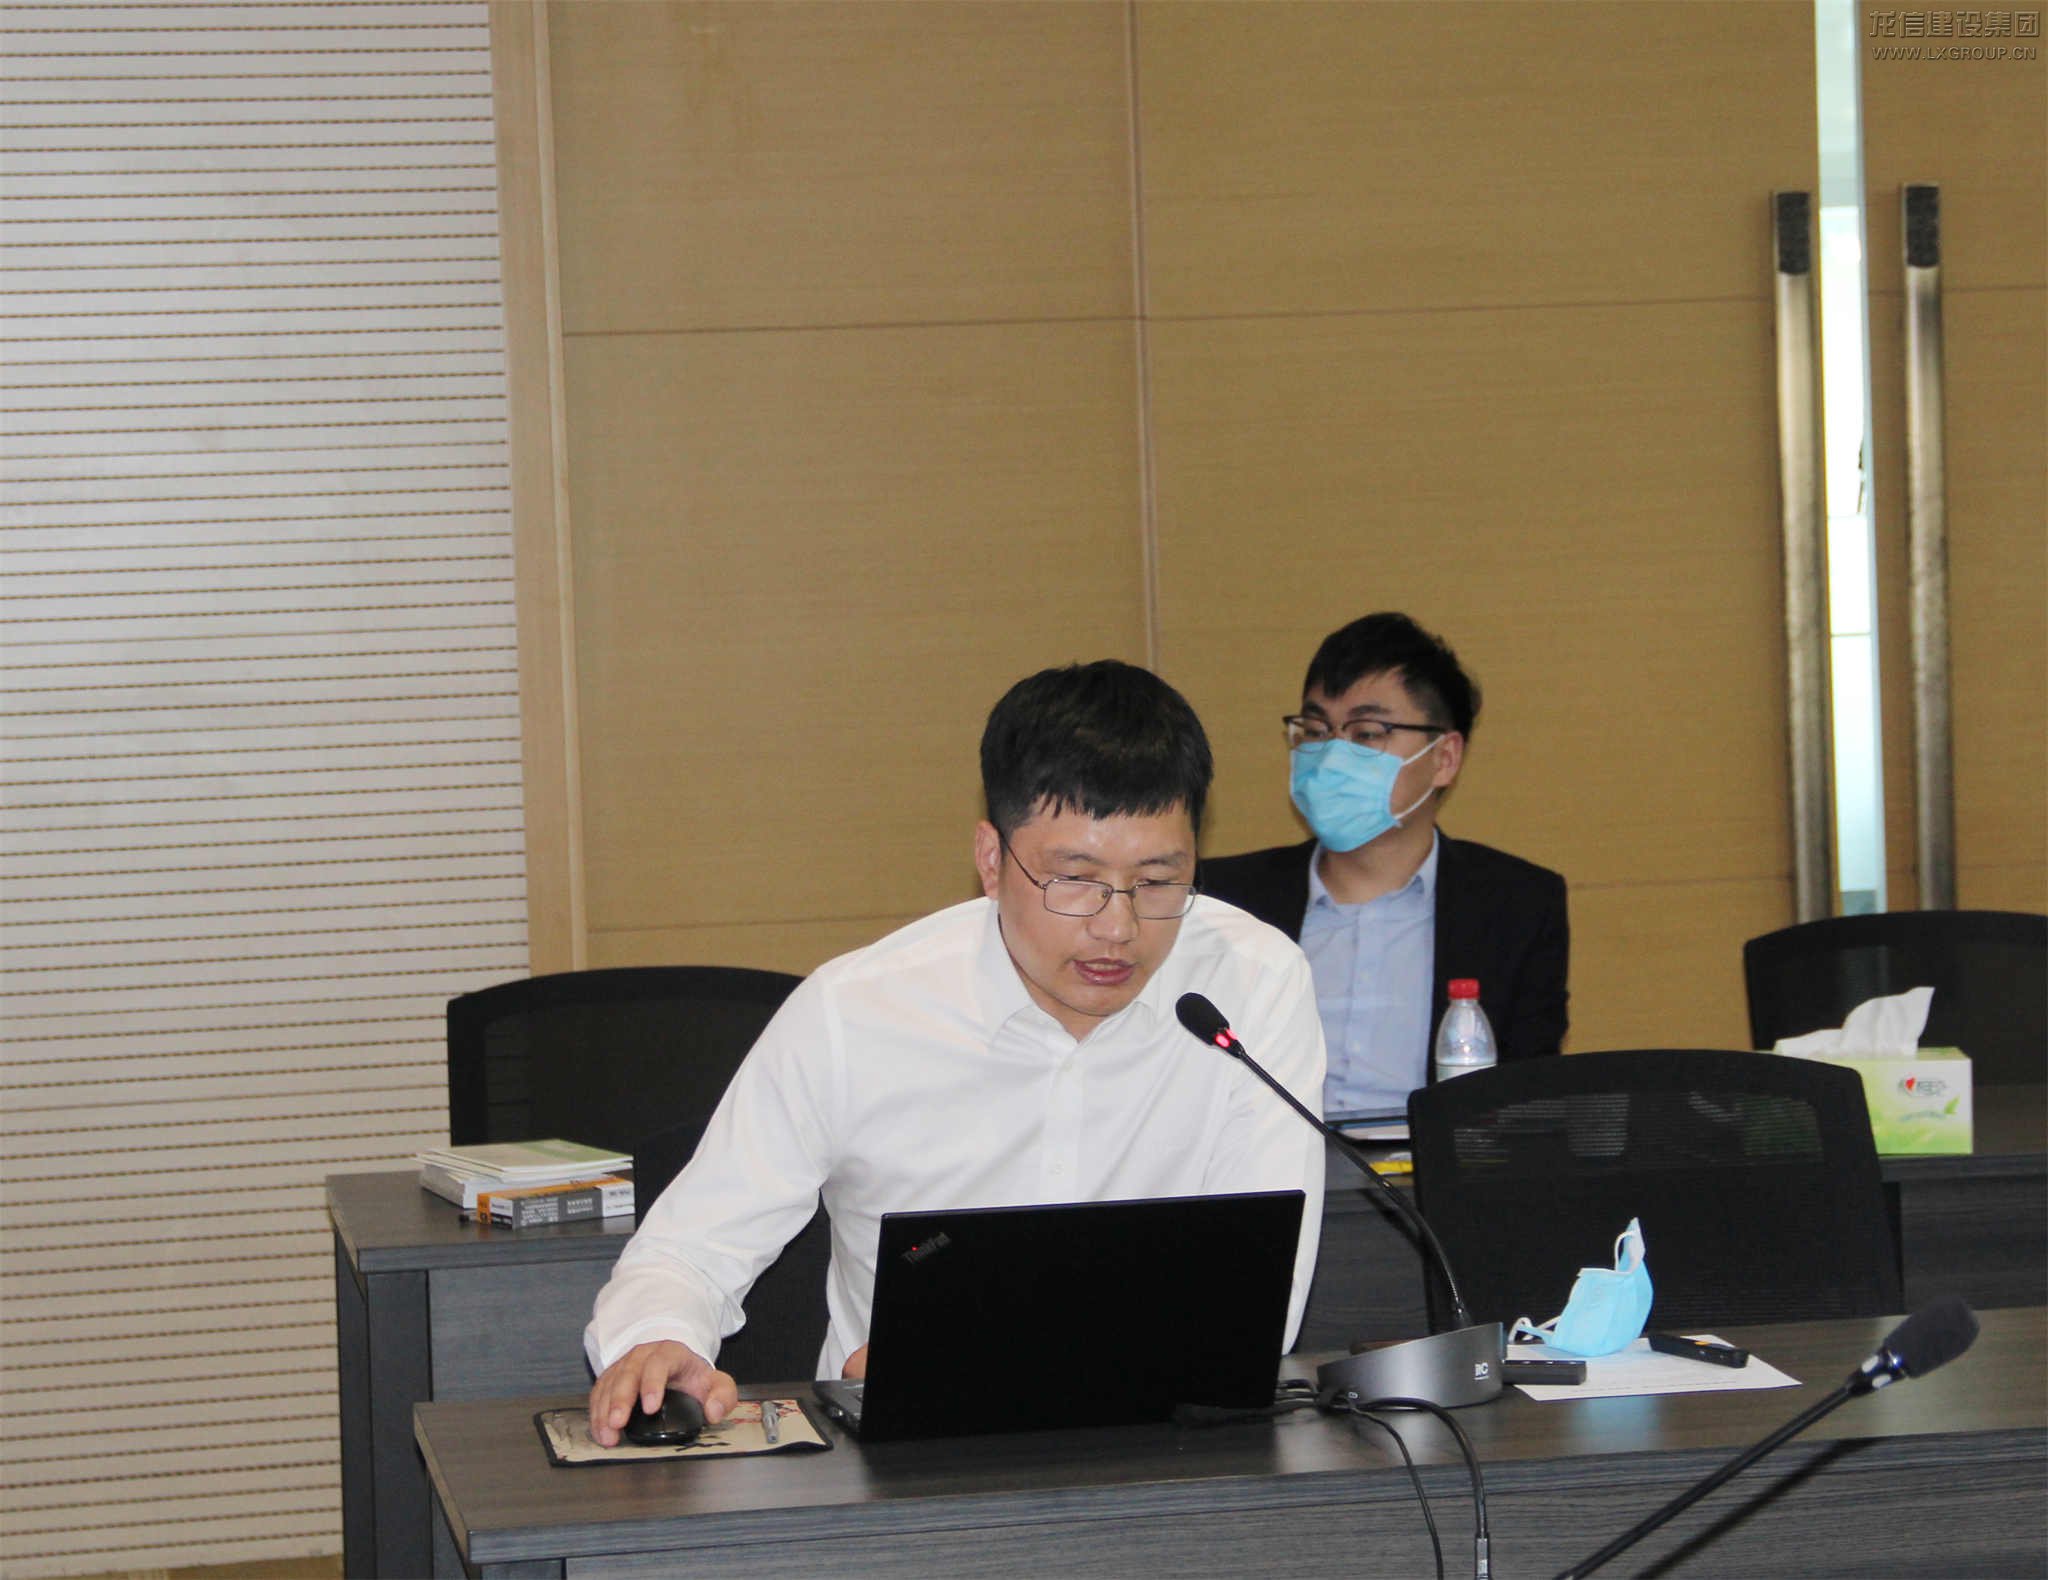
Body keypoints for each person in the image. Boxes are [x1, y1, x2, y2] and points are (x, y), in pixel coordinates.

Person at [585, 660, 1326, 1444]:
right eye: (1075, 880)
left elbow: (1258, 1302)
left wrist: (976, 1364)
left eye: (1157, 882)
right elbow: (688, 1251)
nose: (1118, 928)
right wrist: (656, 1341)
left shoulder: (1252, 982)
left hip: (1166, 1446)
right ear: (991, 859)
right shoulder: (857, 1011)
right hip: (900, 1465)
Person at [1199, 613, 1567, 1120]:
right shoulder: (1222, 900)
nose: (1331, 756)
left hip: (1433, 1169)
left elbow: (1530, 1105)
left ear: (1444, 758)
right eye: (1315, 730)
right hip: (1273, 1165)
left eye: (1367, 733)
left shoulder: (1518, 906)